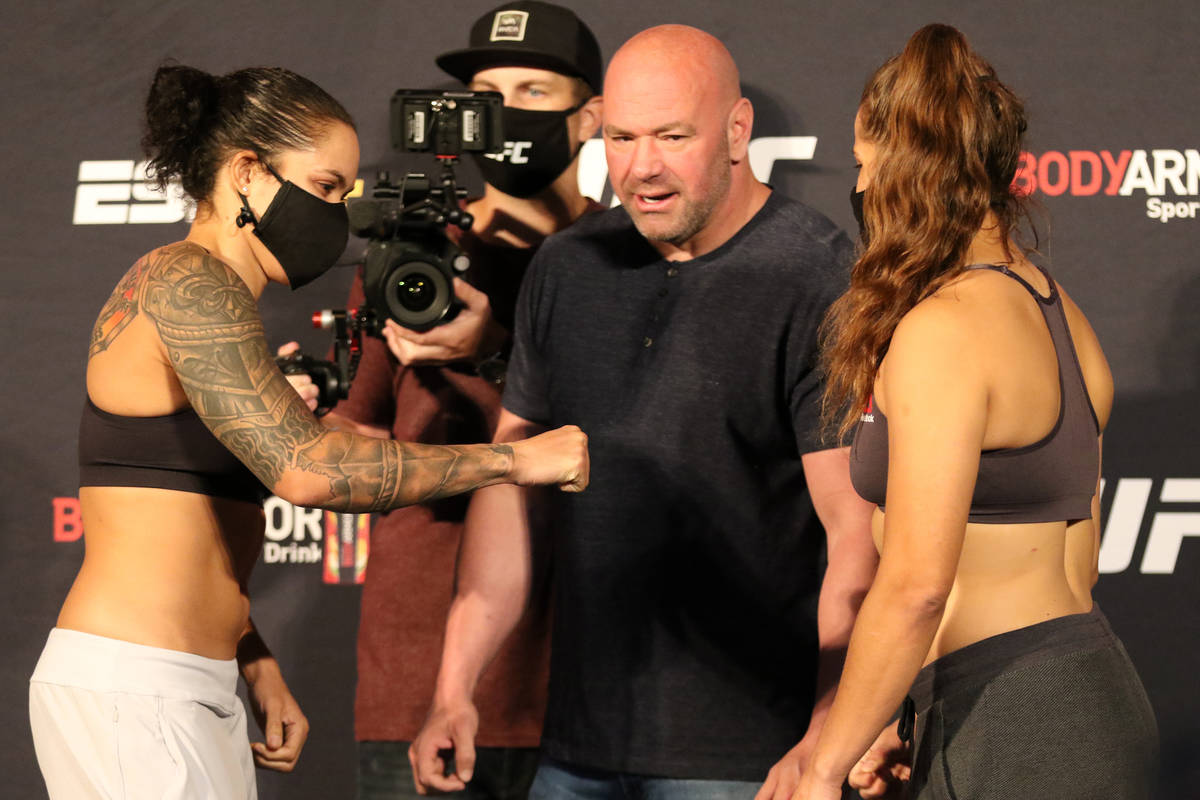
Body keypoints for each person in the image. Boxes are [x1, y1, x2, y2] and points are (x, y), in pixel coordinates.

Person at [28, 64, 589, 800]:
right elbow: (311, 470)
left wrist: (249, 657)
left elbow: (185, 520)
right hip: (136, 689)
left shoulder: (216, 302)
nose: (337, 212)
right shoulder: (185, 282)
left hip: (193, 682)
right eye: (326, 188)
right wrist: (515, 460)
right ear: (248, 173)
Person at [408, 25, 879, 800]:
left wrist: (830, 730)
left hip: (746, 759)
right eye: (622, 138)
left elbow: (854, 535)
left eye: (671, 136)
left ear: (737, 131)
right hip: (578, 749)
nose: (643, 168)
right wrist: (456, 688)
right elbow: (510, 486)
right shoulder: (566, 267)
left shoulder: (816, 276)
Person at [793, 24, 1158, 800]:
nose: (858, 193)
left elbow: (917, 585)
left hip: (1018, 717)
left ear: (901, 168)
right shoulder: (1062, 313)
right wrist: (906, 712)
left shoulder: (945, 329)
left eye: (863, 167)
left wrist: (824, 764)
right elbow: (1079, 560)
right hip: (1065, 697)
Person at [282, 3, 604, 798]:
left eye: (533, 91)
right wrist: (293, 418)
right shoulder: (406, 258)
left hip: (595, 682)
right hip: (417, 680)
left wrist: (495, 354)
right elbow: (348, 447)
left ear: (591, 116)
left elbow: (640, 440)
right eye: (487, 95)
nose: (507, 116)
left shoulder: (628, 261)